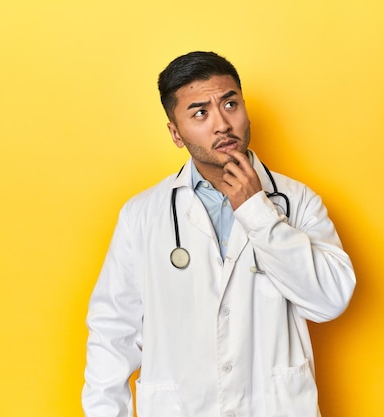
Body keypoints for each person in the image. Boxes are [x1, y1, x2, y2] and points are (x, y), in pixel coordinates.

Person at [81, 51, 356, 417]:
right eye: (200, 113)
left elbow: (330, 300)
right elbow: (112, 332)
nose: (222, 124)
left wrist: (258, 211)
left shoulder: (296, 201)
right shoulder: (142, 214)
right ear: (176, 134)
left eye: (230, 103)